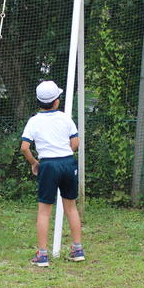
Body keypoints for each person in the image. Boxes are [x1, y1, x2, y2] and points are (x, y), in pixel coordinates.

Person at [20, 81, 84, 267]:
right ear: (57, 101)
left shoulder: (34, 121)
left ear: (39, 101)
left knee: (44, 211)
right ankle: (77, 249)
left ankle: (42, 255)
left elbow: (24, 147)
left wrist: (34, 163)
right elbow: (75, 143)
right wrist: (65, 153)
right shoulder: (65, 118)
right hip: (67, 162)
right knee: (71, 207)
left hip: (48, 165)